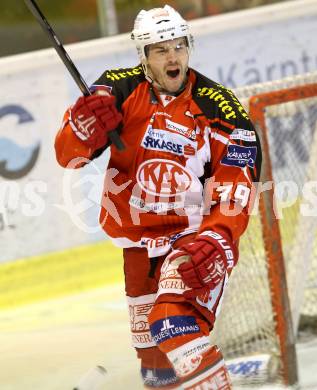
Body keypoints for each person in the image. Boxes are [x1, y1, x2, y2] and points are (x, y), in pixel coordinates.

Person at [55, 5, 261, 389]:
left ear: (189, 47)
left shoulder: (221, 107)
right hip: (137, 242)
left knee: (172, 321)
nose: (173, 57)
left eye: (178, 46)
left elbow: (238, 183)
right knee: (154, 363)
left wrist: (218, 237)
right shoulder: (117, 89)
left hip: (192, 239)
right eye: (161, 49)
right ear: (144, 57)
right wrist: (83, 128)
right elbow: (69, 156)